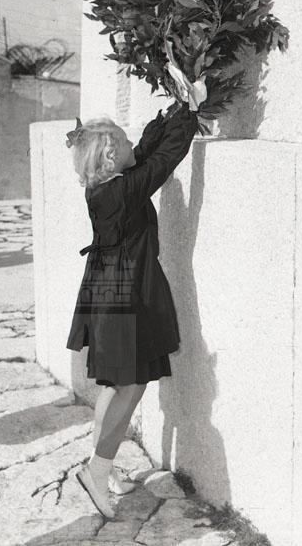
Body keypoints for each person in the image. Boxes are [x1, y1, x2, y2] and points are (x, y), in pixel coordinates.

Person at [65, 91, 203, 518]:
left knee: (116, 383)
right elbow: (162, 161)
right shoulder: (123, 191)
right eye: (123, 142)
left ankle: (101, 467)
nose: (131, 145)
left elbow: (143, 154)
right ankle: (97, 470)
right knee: (131, 385)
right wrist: (191, 113)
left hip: (111, 287)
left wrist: (173, 112)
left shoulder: (105, 186)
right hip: (126, 292)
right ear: (110, 158)